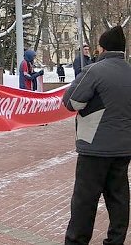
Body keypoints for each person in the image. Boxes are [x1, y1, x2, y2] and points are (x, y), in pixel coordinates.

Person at [63, 26, 131, 245]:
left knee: (85, 199)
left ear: (102, 48)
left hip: (95, 145)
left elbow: (71, 102)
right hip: (124, 146)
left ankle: (77, 241)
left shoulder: (94, 71)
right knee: (119, 196)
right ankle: (116, 239)